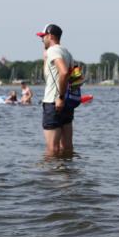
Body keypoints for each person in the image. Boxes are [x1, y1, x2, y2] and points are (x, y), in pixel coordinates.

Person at [37, 23, 75, 157]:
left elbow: (64, 72)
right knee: (67, 146)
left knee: (52, 149)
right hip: (66, 103)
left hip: (54, 102)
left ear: (50, 36)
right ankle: (66, 175)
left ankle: (50, 177)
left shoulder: (52, 51)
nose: (42, 40)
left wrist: (59, 97)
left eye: (43, 37)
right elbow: (76, 77)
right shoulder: (67, 52)